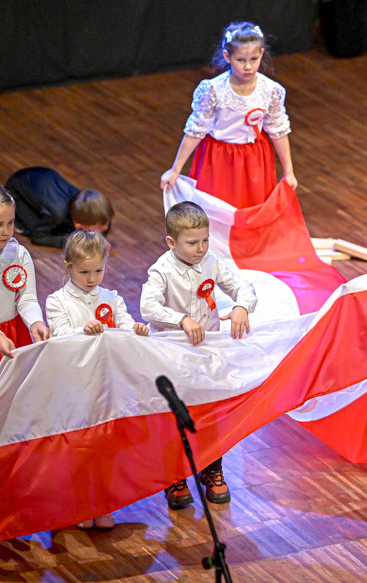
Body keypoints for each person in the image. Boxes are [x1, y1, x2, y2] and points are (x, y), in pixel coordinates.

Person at [141, 201, 256, 509]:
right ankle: (175, 475)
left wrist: (241, 306)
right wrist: (181, 319)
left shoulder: (211, 262)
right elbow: (148, 307)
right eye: (192, 243)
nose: (201, 248)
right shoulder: (162, 270)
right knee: (176, 414)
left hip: (207, 353)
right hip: (172, 353)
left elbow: (242, 286)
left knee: (210, 410)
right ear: (171, 242)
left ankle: (211, 467)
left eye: (205, 240)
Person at [45, 229, 149, 530]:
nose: (92, 278)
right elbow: (60, 334)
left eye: (98, 271)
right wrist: (83, 330)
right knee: (80, 447)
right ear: (69, 267)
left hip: (107, 383)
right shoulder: (57, 301)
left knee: (107, 446)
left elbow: (125, 325)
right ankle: (81, 505)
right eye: (84, 272)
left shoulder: (111, 298)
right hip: (76, 386)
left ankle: (104, 504)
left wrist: (136, 329)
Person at [160, 22, 297, 208]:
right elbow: (195, 131)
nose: (248, 66)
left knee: (252, 211)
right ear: (227, 56)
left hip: (254, 159)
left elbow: (278, 130)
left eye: (254, 59)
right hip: (219, 158)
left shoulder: (270, 90)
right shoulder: (213, 90)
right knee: (216, 210)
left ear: (261, 54)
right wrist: (175, 170)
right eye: (241, 60)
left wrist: (289, 172)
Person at [0, 182, 53, 375]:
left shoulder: (19, 254)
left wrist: (36, 322)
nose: (6, 231)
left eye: (11, 222)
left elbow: (27, 298)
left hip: (15, 335)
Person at [5, 167, 114, 249]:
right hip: (16, 191)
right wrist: (76, 243)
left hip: (43, 181)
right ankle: (17, 221)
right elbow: (38, 238)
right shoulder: (58, 213)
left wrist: (99, 237)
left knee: (64, 228)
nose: (105, 227)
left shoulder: (84, 207)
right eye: (99, 226)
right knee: (35, 228)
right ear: (78, 225)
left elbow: (107, 224)